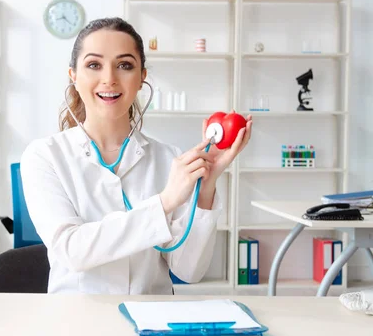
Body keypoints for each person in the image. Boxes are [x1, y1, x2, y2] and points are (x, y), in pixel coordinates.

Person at [20, 17, 252, 295]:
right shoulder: (44, 156)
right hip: (78, 322)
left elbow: (189, 271)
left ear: (142, 77)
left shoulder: (169, 159)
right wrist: (165, 203)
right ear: (73, 76)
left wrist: (207, 187)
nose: (109, 78)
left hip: (151, 322)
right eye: (94, 65)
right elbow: (73, 251)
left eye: (125, 65)